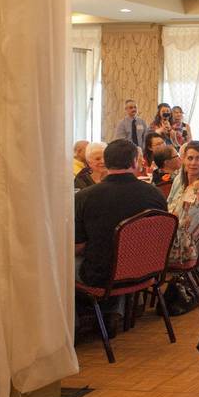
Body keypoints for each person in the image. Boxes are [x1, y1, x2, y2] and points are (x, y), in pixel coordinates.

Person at [74, 139, 167, 327]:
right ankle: (114, 311)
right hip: (147, 269)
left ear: (106, 163)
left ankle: (73, 327)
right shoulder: (156, 194)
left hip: (102, 276)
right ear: (135, 162)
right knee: (114, 254)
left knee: (61, 265)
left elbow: (78, 246)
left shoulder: (85, 197)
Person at [167, 140, 199, 263]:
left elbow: (185, 227)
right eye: (190, 158)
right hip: (178, 238)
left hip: (182, 248)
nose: (193, 163)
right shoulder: (182, 182)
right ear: (183, 160)